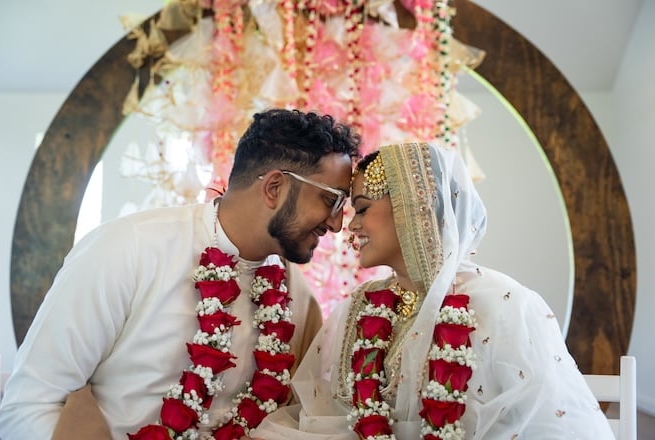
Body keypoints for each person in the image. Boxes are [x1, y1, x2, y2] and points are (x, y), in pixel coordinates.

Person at [0, 108, 361, 439]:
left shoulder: (296, 297)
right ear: (274, 188)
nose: (337, 223)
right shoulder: (129, 248)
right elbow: (27, 409)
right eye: (332, 200)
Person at [253, 142, 615, 439]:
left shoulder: (504, 303)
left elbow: (551, 426)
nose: (352, 226)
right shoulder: (357, 309)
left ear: (414, 206)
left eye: (362, 209)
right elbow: (329, 417)